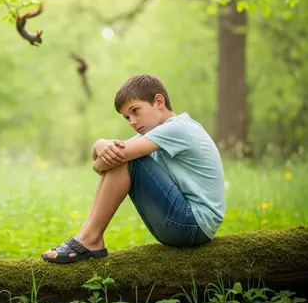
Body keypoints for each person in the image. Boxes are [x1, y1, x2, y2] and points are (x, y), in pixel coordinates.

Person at [41, 74, 225, 264]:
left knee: (126, 159)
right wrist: (99, 144)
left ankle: (90, 239)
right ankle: (87, 235)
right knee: (123, 157)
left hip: (193, 224)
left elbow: (112, 160)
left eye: (135, 111)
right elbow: (100, 166)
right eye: (127, 117)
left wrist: (103, 149)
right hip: (185, 225)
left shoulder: (178, 128)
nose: (132, 122)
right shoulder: (153, 135)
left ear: (159, 101)